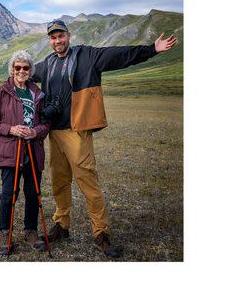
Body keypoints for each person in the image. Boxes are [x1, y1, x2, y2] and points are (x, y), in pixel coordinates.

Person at [31, 19, 177, 258]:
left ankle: (101, 233)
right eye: (53, 37)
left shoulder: (87, 56)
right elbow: (23, 71)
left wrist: (151, 50)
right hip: (54, 132)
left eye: (61, 36)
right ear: (49, 40)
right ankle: (62, 225)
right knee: (58, 182)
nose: (57, 41)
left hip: (77, 130)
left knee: (88, 183)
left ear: (69, 35)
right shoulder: (46, 64)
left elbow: (119, 56)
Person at [0, 50, 50, 251]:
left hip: (33, 151)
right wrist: (11, 129)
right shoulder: (2, 91)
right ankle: (4, 232)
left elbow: (46, 124)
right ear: (12, 70)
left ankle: (30, 231)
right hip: (10, 151)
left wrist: (34, 132)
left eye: (25, 68)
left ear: (30, 71)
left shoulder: (37, 93)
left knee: (33, 193)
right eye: (17, 67)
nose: (21, 71)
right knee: (8, 194)